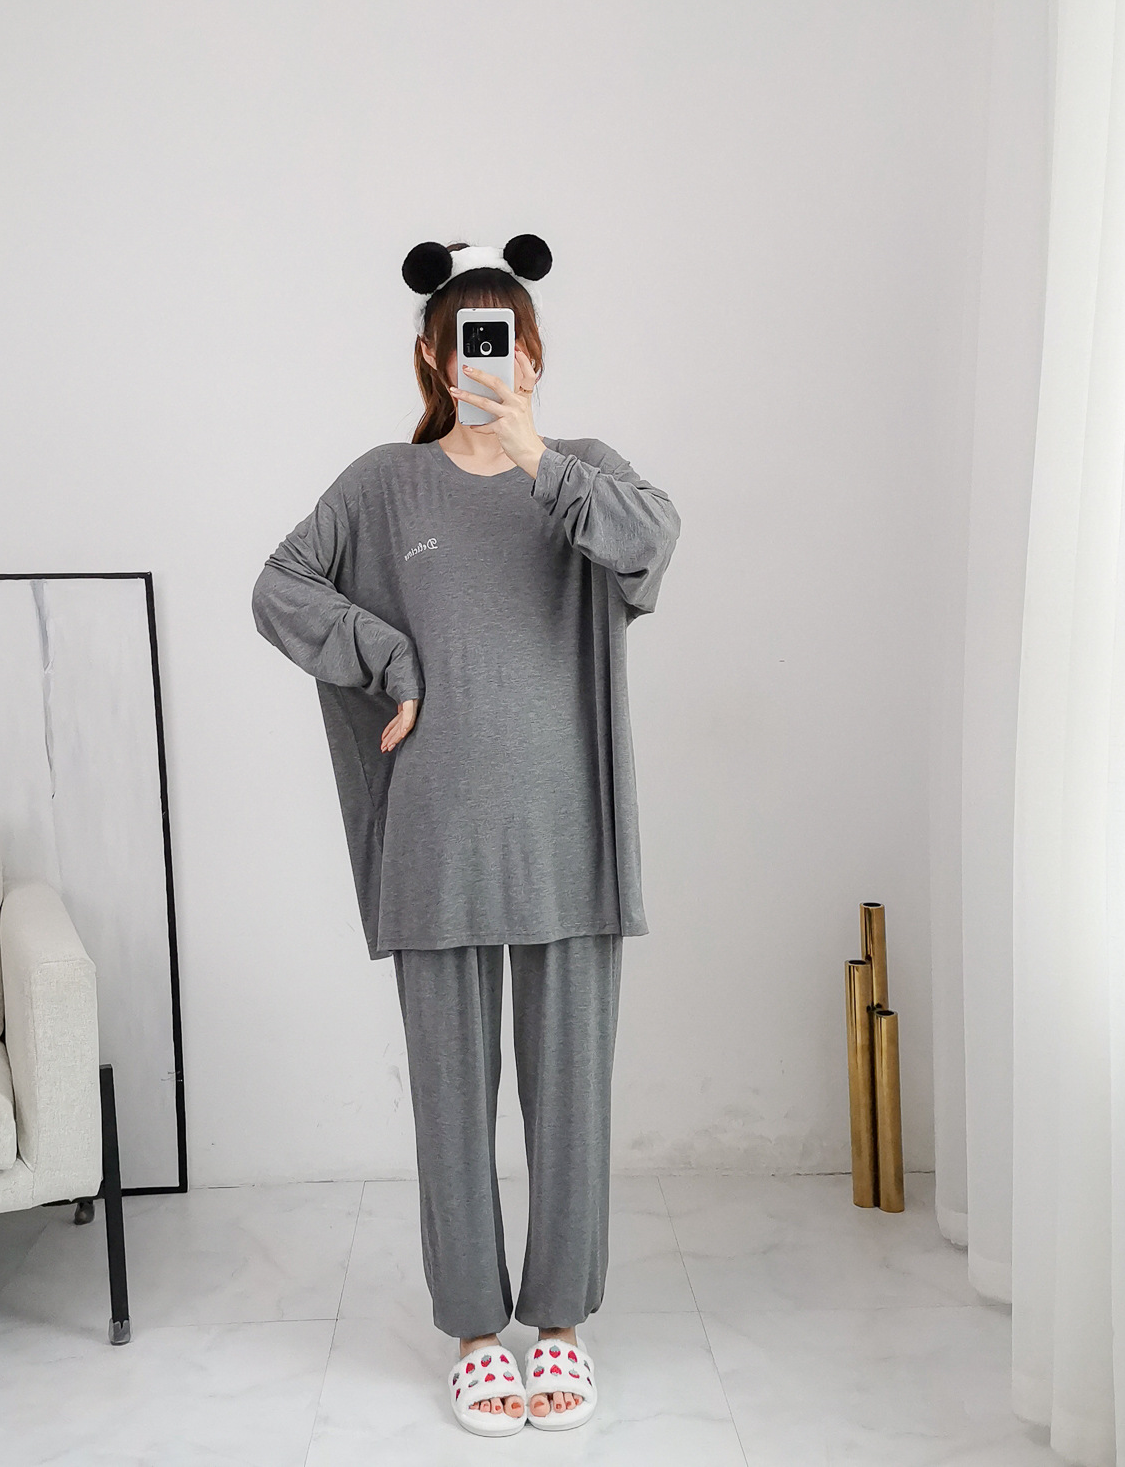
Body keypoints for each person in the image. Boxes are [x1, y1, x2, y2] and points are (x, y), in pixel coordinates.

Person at [251, 234, 680, 1437]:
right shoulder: (385, 485)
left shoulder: (585, 476)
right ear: (436, 358)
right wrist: (385, 655)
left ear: (533, 355)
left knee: (570, 1097)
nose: (492, 359)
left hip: (570, 839)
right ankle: (477, 1335)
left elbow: (651, 548)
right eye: (469, 341)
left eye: (511, 339)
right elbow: (281, 586)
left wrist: (535, 453)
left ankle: (562, 1328)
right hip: (436, 837)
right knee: (450, 1099)